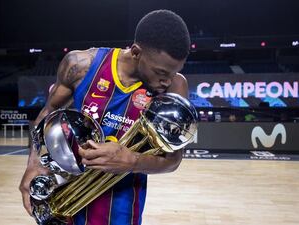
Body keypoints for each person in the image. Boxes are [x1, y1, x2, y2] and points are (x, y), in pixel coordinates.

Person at [19, 9, 191, 225]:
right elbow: (49, 111)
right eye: (162, 73)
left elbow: (173, 161)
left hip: (120, 205)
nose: (167, 81)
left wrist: (132, 161)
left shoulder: (175, 87)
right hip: (62, 195)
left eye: (174, 72)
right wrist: (33, 165)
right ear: (136, 52)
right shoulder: (81, 64)